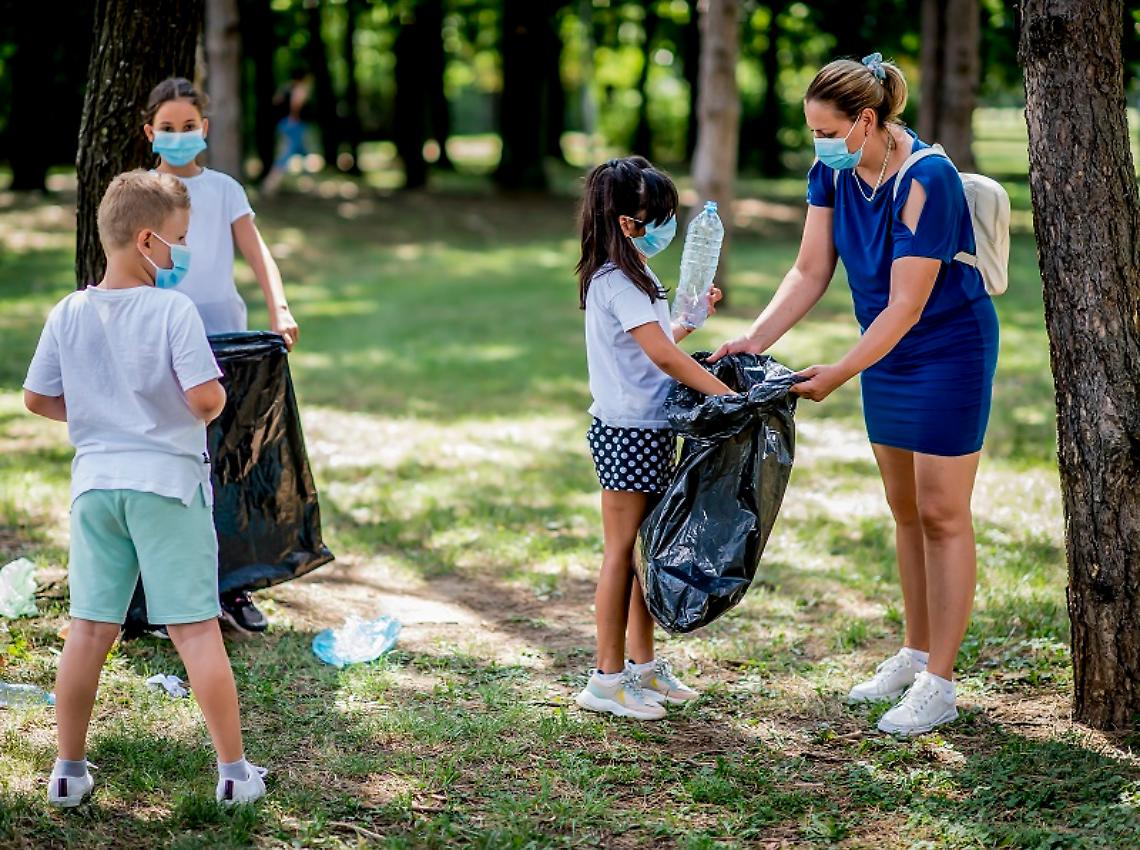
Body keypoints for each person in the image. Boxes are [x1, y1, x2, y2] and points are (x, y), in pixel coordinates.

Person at [713, 54, 999, 735]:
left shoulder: (927, 179)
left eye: (823, 130)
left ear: (865, 122)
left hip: (945, 351)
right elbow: (810, 270)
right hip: (886, 355)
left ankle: (941, 683)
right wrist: (753, 339)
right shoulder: (831, 173)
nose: (816, 144)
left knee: (942, 512)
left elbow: (905, 306)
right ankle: (914, 651)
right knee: (905, 510)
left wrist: (838, 371)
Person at [23, 170, 267, 807]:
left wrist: (101, 418)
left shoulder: (69, 310)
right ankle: (236, 774)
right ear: (148, 240)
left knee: (88, 630)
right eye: (179, 240)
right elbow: (206, 397)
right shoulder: (172, 309)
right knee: (194, 631)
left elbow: (36, 397)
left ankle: (68, 771)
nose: (182, 253)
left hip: (95, 489)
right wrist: (197, 404)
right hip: (166, 488)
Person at [575, 156, 734, 720]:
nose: (670, 226)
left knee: (645, 553)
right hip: (627, 434)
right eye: (660, 216)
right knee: (621, 554)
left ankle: (641, 668)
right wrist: (727, 397)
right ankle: (606, 678)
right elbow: (664, 355)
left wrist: (691, 321)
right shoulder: (619, 281)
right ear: (626, 223)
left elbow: (656, 343)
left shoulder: (630, 276)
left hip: (645, 428)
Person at [142, 76, 300, 633]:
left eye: (189, 127)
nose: (180, 136)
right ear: (150, 133)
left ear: (204, 129)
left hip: (227, 341)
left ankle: (233, 589)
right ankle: (165, 599)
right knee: (171, 468)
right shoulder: (140, 192)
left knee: (229, 466)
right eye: (168, 128)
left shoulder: (226, 189)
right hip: (164, 345)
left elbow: (258, 254)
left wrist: (278, 308)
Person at [263, 68, 312, 195]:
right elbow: (296, 104)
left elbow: (275, 101)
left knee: (303, 151)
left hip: (283, 123)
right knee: (286, 153)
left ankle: (307, 183)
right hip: (294, 124)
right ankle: (270, 184)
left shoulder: (285, 88)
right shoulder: (300, 88)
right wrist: (293, 117)